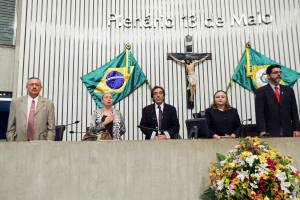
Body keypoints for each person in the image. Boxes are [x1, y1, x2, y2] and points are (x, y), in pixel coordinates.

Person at [255, 64, 300, 137]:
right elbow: (260, 114)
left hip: (288, 131)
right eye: (275, 72)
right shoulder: (260, 92)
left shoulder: (289, 90)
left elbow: (294, 111)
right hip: (269, 132)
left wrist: (297, 129)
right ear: (268, 76)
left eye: (280, 72)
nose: (279, 74)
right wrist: (262, 131)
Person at [6, 77, 55, 141]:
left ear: (41, 88)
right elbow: (10, 127)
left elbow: (51, 128)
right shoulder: (16, 103)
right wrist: (10, 143)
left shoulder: (48, 104)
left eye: (37, 85)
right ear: (27, 87)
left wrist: (48, 143)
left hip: (41, 144)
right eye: (31, 84)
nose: (34, 87)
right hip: (19, 143)